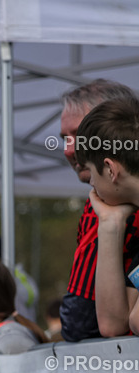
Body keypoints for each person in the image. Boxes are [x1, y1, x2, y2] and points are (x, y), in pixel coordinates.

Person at [57, 79, 139, 341]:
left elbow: (81, 324)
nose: (71, 150)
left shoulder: (107, 203)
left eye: (78, 135)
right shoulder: (110, 209)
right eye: (65, 139)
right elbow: (114, 324)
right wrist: (110, 223)